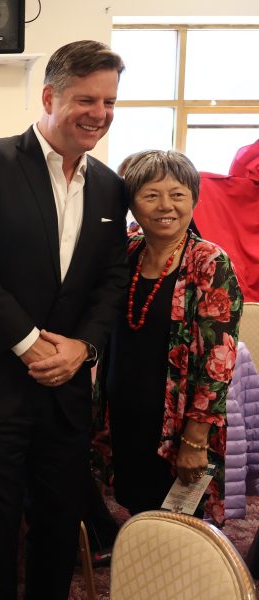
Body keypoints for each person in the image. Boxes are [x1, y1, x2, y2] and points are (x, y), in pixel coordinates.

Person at [0, 40, 129, 599]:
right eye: (86, 99)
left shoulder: (110, 185)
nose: (99, 113)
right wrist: (29, 342)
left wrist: (82, 347)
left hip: (63, 393)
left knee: (58, 528)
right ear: (48, 97)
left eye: (110, 101)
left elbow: (112, 277)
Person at [99, 150, 242, 526]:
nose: (166, 206)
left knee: (179, 529)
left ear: (193, 198)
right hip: (127, 419)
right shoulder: (128, 251)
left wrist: (195, 440)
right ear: (132, 204)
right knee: (138, 513)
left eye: (177, 194)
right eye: (151, 195)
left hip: (178, 428)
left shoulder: (209, 263)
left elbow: (219, 363)